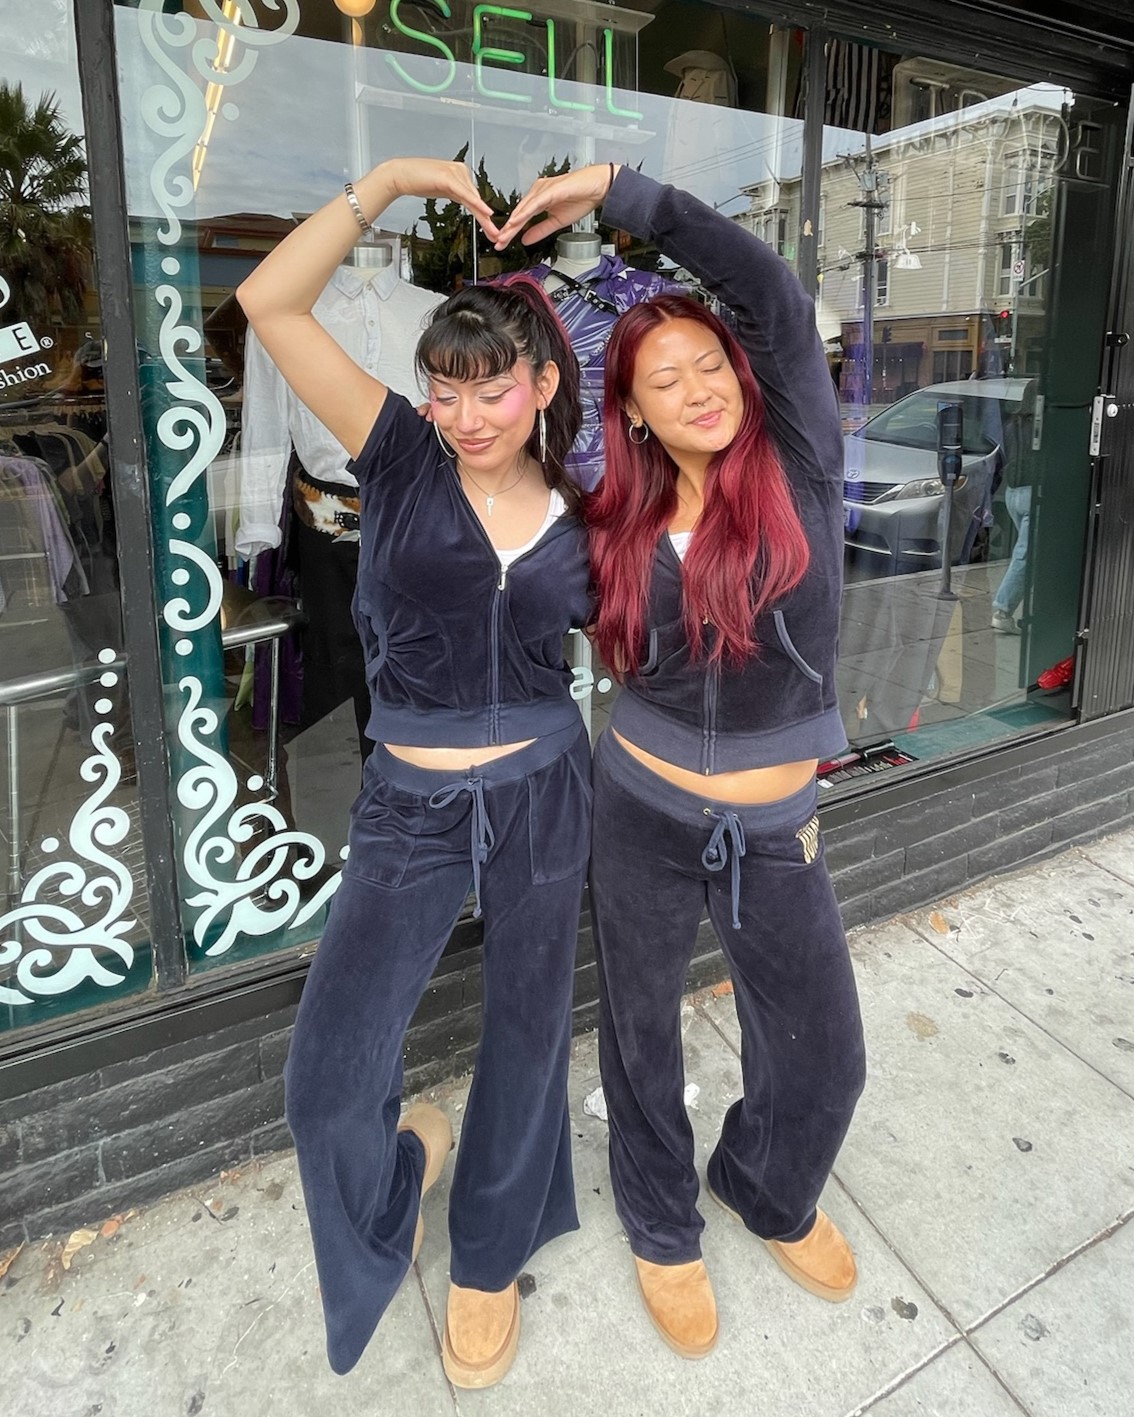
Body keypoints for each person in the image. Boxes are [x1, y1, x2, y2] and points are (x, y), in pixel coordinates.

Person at [495, 165, 866, 1357]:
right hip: (640, 808)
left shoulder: (800, 456)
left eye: (713, 364)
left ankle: (766, 1181)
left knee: (825, 1054)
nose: (700, 386)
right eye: (667, 378)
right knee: (641, 1028)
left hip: (775, 824)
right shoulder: (615, 518)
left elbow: (769, 292)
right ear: (634, 413)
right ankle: (662, 1224)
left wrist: (621, 192)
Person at [237, 158, 591, 1388]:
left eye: (491, 388)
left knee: (530, 1036)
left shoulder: (588, 504)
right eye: (447, 390)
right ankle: (404, 1167)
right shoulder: (394, 457)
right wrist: (382, 184)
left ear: (540, 386)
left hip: (547, 791)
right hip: (410, 806)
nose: (466, 413)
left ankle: (489, 1260)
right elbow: (270, 309)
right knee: (329, 1081)